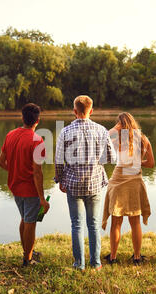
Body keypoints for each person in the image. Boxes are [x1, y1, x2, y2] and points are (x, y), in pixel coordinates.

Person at [54, 95, 116, 271]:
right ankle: (95, 264)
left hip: (73, 184)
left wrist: (60, 179)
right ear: (92, 110)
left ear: (74, 111)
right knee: (94, 224)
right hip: (95, 183)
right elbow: (112, 158)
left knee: (77, 224)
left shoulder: (65, 132)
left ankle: (79, 264)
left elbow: (59, 160)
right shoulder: (102, 130)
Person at [0, 103, 49, 267]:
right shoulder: (37, 140)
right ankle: (28, 259)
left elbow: (1, 162)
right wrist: (42, 198)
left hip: (15, 187)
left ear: (22, 117)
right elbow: (37, 172)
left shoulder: (10, 135)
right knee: (30, 223)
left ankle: (27, 251)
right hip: (30, 189)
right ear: (37, 121)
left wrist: (15, 171)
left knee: (25, 219)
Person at [102, 112, 154, 265]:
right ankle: (137, 257)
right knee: (135, 221)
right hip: (135, 181)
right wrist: (136, 162)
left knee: (116, 222)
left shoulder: (116, 138)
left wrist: (114, 128)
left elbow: (102, 137)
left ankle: (113, 257)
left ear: (120, 125)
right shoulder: (143, 139)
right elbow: (151, 164)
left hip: (118, 180)